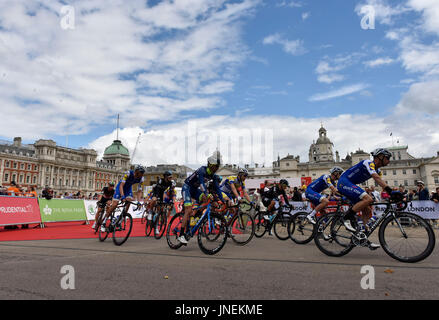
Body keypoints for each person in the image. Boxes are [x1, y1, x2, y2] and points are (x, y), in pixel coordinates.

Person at [337, 148, 396, 250]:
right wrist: (391, 192)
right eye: (387, 158)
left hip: (351, 184)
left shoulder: (378, 170)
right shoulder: (368, 163)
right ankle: (346, 218)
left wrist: (394, 193)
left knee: (368, 211)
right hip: (344, 182)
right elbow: (376, 178)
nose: (389, 161)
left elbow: (380, 181)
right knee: (368, 199)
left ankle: (362, 237)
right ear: (379, 157)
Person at [178, 151, 225, 245]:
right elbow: (202, 184)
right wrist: (207, 193)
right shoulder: (202, 170)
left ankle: (196, 214)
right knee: (188, 209)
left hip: (195, 189)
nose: (216, 169)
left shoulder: (214, 176)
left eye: (217, 167)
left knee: (207, 200)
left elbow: (218, 189)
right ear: (210, 165)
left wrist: (223, 201)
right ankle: (181, 235)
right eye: (215, 166)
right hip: (187, 187)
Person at [104, 165, 145, 231]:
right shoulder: (128, 173)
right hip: (120, 187)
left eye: (143, 173)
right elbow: (121, 185)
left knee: (128, 202)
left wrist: (138, 201)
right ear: (137, 171)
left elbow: (139, 191)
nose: (142, 174)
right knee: (114, 204)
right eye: (141, 173)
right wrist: (122, 196)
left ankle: (120, 219)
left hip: (128, 189)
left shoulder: (141, 179)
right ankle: (104, 221)